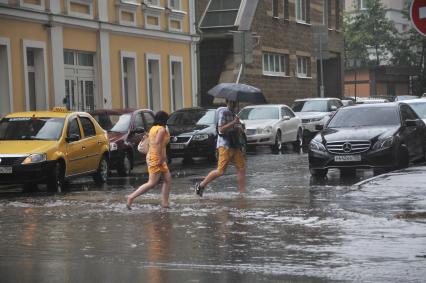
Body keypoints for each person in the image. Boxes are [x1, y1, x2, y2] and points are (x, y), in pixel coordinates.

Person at [195, 100, 246, 196]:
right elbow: (221, 129)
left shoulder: (234, 114)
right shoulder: (223, 112)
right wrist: (233, 123)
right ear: (227, 102)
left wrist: (239, 126)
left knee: (241, 168)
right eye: (231, 102)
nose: (234, 104)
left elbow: (234, 128)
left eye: (235, 102)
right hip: (225, 145)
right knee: (220, 171)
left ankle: (242, 194)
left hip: (234, 145)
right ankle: (201, 185)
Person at [126, 111, 172, 209]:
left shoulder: (153, 128)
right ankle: (131, 197)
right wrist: (160, 158)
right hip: (156, 158)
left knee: (168, 179)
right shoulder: (161, 129)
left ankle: (165, 203)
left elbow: (159, 144)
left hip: (156, 157)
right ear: (164, 120)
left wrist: (164, 157)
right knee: (152, 183)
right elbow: (158, 143)